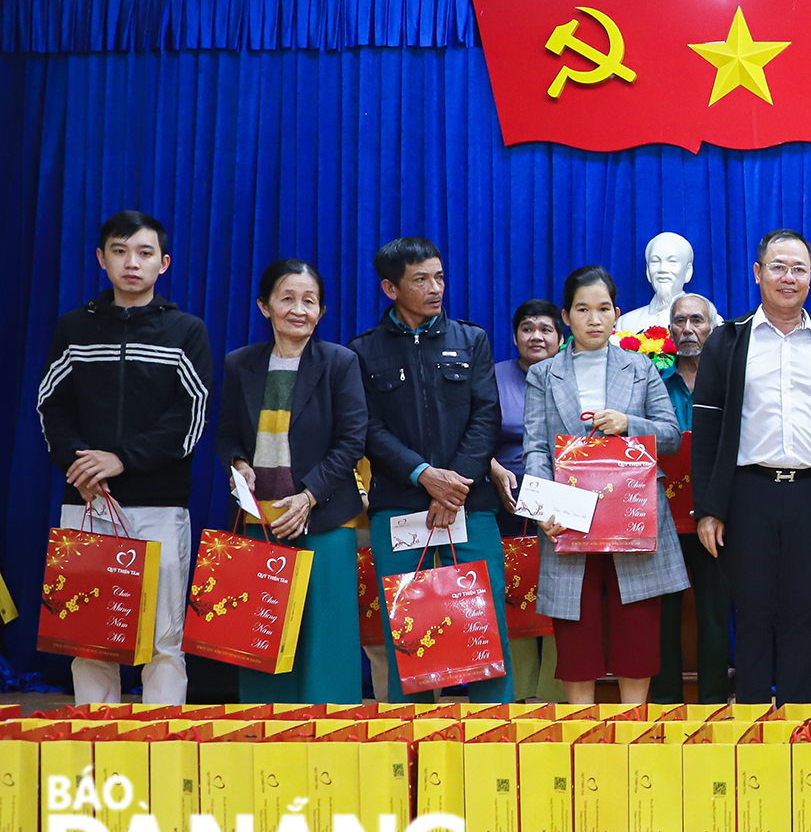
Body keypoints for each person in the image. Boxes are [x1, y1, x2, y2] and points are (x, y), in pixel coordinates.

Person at [37, 210, 212, 705]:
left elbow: (190, 418)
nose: (131, 263)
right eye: (120, 251)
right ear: (101, 258)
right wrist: (81, 466)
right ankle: (98, 743)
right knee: (88, 640)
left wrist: (121, 459)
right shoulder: (73, 327)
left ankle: (164, 748)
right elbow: (52, 406)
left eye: (144, 253)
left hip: (159, 507)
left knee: (163, 640)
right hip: (87, 502)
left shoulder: (186, 331)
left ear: (164, 263)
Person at [690, 229, 811, 705]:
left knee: (799, 615)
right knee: (750, 613)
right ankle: (749, 726)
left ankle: (793, 726)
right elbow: (706, 431)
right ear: (758, 273)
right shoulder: (728, 342)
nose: (789, 278)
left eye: (799, 269)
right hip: (749, 493)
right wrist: (708, 507)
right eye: (778, 267)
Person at [349, 236, 513, 702]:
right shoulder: (364, 351)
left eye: (439, 276)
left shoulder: (472, 339)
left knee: (482, 625)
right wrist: (424, 475)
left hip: (470, 505)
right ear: (390, 288)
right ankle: (411, 751)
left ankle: (492, 744)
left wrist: (452, 487)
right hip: (400, 508)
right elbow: (368, 430)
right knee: (408, 633)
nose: (435, 287)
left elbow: (487, 417)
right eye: (420, 279)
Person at [523, 266, 690, 706]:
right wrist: (542, 510)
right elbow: (535, 449)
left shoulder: (640, 368)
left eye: (603, 309)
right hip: (569, 517)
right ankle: (582, 730)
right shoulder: (544, 374)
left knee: (636, 625)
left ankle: (633, 724)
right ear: (566, 316)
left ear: (617, 314)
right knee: (575, 629)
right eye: (582, 309)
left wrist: (628, 424)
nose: (593, 319)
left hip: (631, 515)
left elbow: (671, 435)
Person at [216, 259, 369, 704]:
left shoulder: (340, 362)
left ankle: (334, 741)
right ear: (265, 306)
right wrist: (238, 462)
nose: (298, 309)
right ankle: (267, 740)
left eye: (309, 300)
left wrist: (309, 496)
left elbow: (351, 440)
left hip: (323, 518)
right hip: (258, 519)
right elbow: (226, 433)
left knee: (328, 643)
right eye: (287, 299)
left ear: (321, 311)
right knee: (263, 637)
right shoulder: (240, 363)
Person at [652, 291, 732, 705]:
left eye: (697, 321)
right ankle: (664, 704)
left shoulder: (730, 382)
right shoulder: (655, 383)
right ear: (669, 331)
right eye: (680, 322)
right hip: (662, 515)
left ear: (713, 329)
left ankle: (715, 702)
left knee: (715, 613)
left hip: (717, 513)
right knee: (662, 615)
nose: (688, 329)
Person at [495, 299, 562, 702]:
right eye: (527, 327)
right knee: (513, 590)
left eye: (545, 329)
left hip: (562, 500)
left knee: (559, 592)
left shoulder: (570, 375)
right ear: (516, 335)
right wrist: (491, 467)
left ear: (560, 335)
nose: (535, 336)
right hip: (505, 500)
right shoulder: (494, 376)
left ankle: (554, 692)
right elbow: (471, 432)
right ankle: (519, 692)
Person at [618, 232, 697, 332]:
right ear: (647, 271)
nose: (662, 269)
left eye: (672, 262)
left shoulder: (710, 321)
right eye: (655, 261)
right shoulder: (627, 323)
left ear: (688, 271)